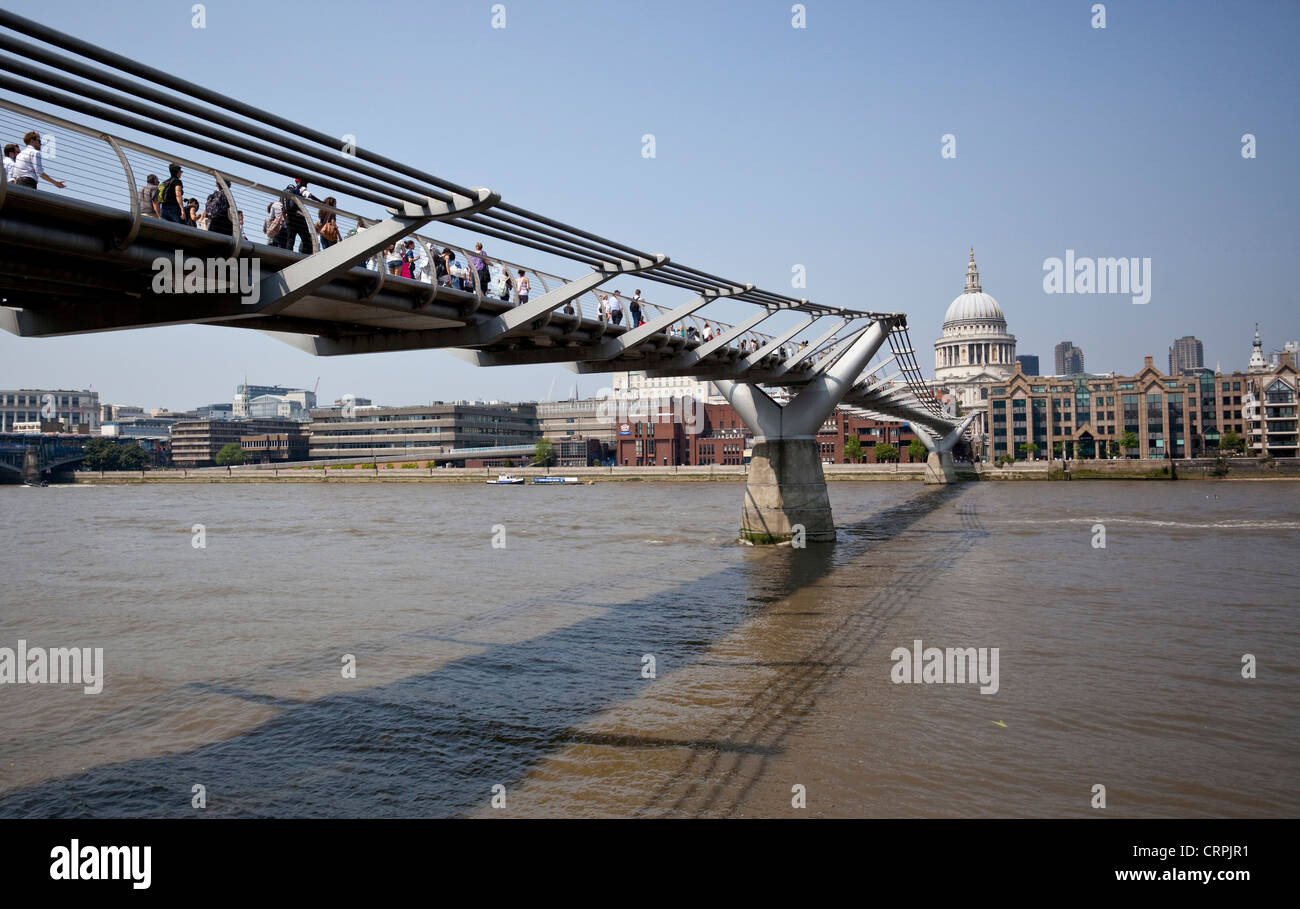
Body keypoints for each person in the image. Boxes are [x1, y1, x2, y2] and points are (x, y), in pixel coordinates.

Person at [278, 177, 313, 252]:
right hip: (299, 218)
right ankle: (306, 256)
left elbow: (283, 210)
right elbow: (308, 196)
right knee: (306, 238)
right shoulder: (297, 190)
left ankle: (288, 255)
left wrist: (286, 219)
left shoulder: (284, 194)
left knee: (290, 239)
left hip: (289, 218)